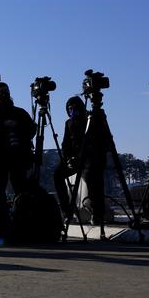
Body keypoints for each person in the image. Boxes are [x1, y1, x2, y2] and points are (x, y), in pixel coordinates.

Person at [0, 84, 36, 240]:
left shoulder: (19, 113)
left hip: (17, 157)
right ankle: (1, 228)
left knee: (21, 193)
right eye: (0, 93)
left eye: (5, 93)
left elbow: (31, 130)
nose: (3, 96)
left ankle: (21, 226)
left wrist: (17, 131)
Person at [54, 96, 106, 225]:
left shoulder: (90, 119)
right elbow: (65, 144)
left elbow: (98, 143)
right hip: (74, 159)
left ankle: (96, 212)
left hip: (90, 157)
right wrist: (67, 159)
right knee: (57, 175)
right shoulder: (68, 123)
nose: (73, 112)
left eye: (75, 109)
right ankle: (66, 211)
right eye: (70, 110)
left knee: (90, 175)